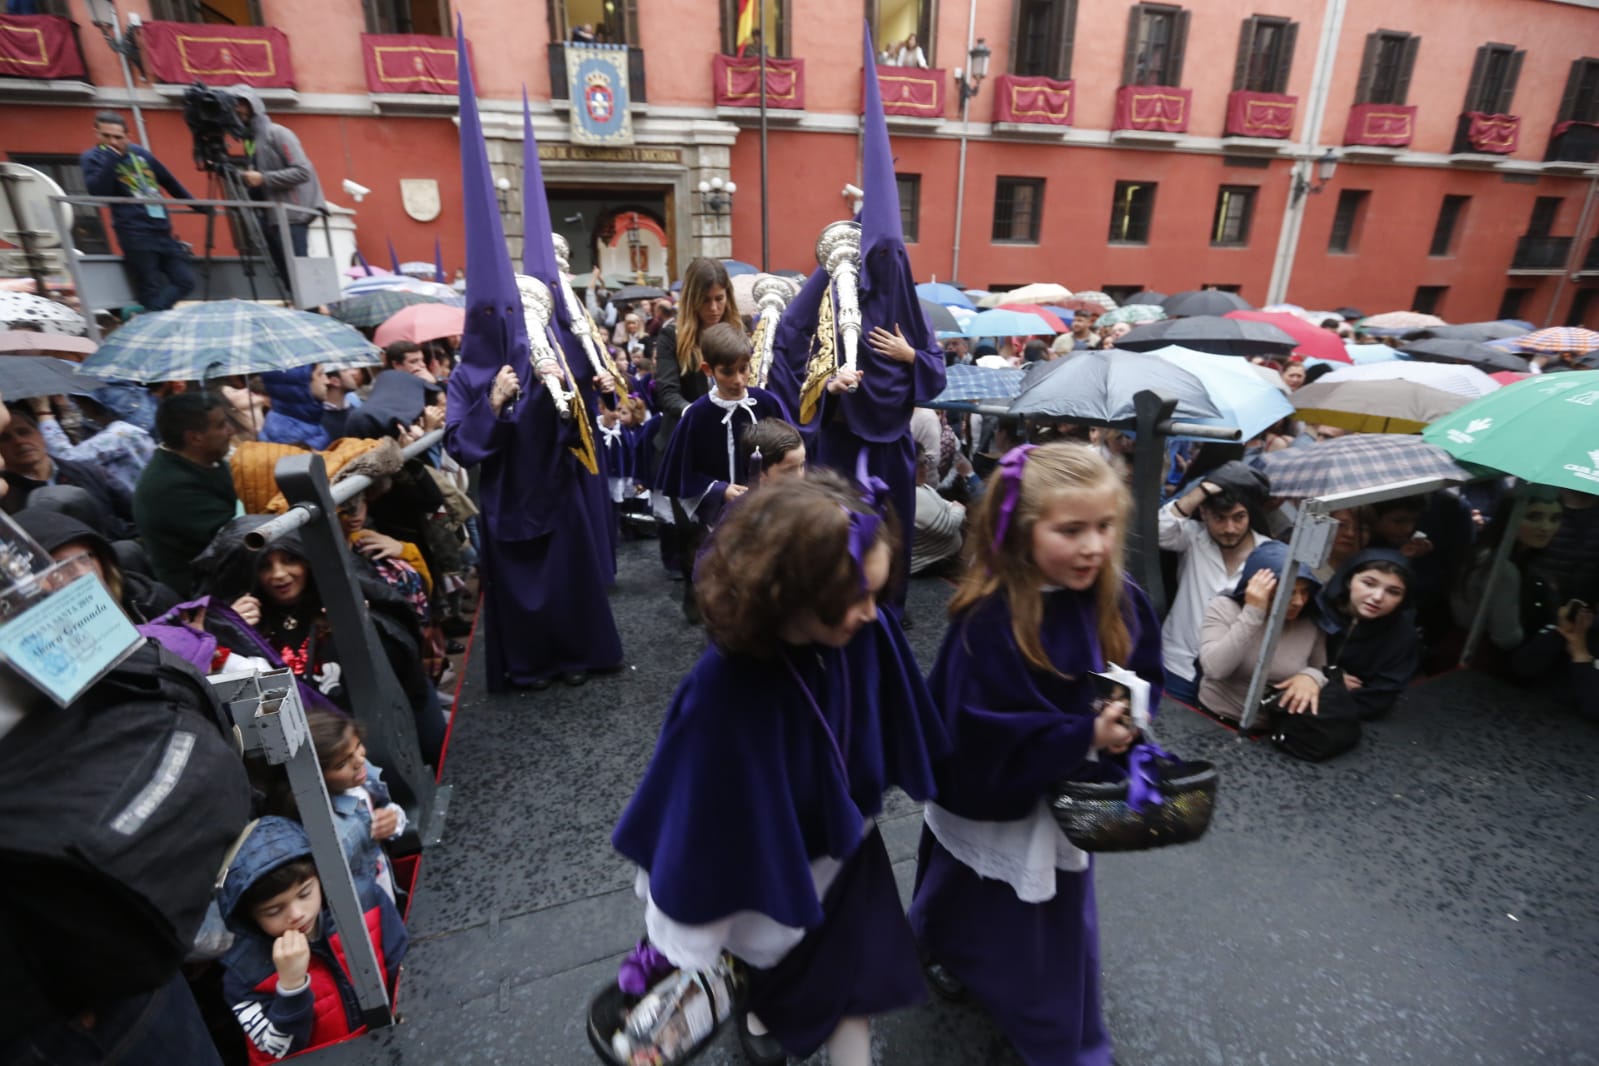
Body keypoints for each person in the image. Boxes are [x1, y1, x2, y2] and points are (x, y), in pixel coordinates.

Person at [612, 473, 946, 1066]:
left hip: (850, 848)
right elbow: (697, 816)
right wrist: (686, 934)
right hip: (766, 875)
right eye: (856, 598)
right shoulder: (724, 690)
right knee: (772, 968)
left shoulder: (865, 631)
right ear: (788, 593)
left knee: (856, 983)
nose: (875, 613)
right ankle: (759, 1008)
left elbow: (894, 714)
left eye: (878, 591)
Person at [908, 442, 1161, 1066]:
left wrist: (1126, 729)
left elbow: (1139, 673)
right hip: (998, 792)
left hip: (1063, 797)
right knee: (969, 883)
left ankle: (1059, 1038)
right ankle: (951, 951)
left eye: (1105, 528)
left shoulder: (1117, 596)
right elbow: (975, 729)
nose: (1093, 547)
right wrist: (1081, 735)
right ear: (1022, 532)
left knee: (1050, 923)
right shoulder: (992, 618)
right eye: (1070, 530)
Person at [217, 817, 407, 1065]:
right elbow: (275, 1052)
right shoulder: (244, 972)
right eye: (274, 911)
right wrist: (291, 986)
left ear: (321, 877)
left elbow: (404, 968)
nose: (296, 914)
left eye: (305, 893)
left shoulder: (364, 902)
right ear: (249, 918)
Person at [655, 322, 786, 620]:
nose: (739, 380)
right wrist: (719, 489)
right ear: (708, 369)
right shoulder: (697, 415)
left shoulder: (765, 403)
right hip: (718, 520)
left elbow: (790, 451)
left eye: (744, 369)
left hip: (765, 513)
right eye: (728, 372)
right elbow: (681, 474)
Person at [1157, 462, 1270, 706]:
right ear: (1204, 513)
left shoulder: (1267, 554)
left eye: (1239, 517)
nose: (1230, 528)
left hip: (1228, 680)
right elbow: (1159, 529)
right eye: (1220, 518)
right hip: (1178, 664)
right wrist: (1202, 491)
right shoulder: (1194, 537)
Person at [1197, 540, 1327, 727]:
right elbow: (1215, 669)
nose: (1299, 601)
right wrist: (1253, 612)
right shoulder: (1225, 608)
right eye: (1289, 592)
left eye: (1305, 592)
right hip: (1213, 719)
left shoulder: (1309, 622)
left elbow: (1320, 669)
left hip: (1272, 729)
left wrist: (1310, 677)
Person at [78, 110, 199, 311]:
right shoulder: (92, 158)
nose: (112, 141)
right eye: (106, 136)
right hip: (134, 233)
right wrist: (111, 158)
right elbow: (99, 191)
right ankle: (153, 323)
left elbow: (168, 180)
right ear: (96, 133)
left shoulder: (140, 153)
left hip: (162, 230)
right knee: (149, 288)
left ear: (128, 136)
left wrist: (196, 205)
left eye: (117, 137)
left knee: (185, 281)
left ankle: (150, 318)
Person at [133, 392, 237, 597]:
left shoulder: (206, 459)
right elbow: (234, 536)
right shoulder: (169, 488)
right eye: (221, 425)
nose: (231, 431)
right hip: (202, 591)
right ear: (195, 437)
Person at [304, 710, 408, 903]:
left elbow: (383, 806)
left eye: (358, 745)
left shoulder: (359, 775)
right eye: (342, 763)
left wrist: (394, 818)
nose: (359, 760)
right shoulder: (336, 830)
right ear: (317, 777)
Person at [230, 86, 326, 288]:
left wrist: (263, 179)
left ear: (253, 105)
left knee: (301, 278)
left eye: (240, 104)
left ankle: (312, 312)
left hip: (292, 215)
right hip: (271, 217)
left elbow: (302, 171)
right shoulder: (252, 141)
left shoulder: (278, 133)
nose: (236, 110)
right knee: (288, 278)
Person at [0, 405, 137, 538]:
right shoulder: (5, 497)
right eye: (5, 438)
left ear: (40, 435)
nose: (18, 441)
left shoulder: (89, 473)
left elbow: (135, 512)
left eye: (24, 432)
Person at [1315, 550, 1421, 720]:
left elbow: (1379, 698)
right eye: (1369, 583)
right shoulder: (1315, 610)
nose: (1378, 597)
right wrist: (1328, 681)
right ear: (1349, 580)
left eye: (1393, 592)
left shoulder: (1403, 636)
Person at [909, 444, 963, 574]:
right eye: (921, 464)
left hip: (938, 560)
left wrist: (953, 509)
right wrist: (959, 510)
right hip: (931, 566)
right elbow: (948, 528)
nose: (926, 468)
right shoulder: (914, 495)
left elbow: (946, 504)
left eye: (926, 462)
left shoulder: (919, 486)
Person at [740, 416, 807, 488]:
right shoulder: (746, 499)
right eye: (789, 470)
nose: (799, 477)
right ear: (760, 474)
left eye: (802, 465)